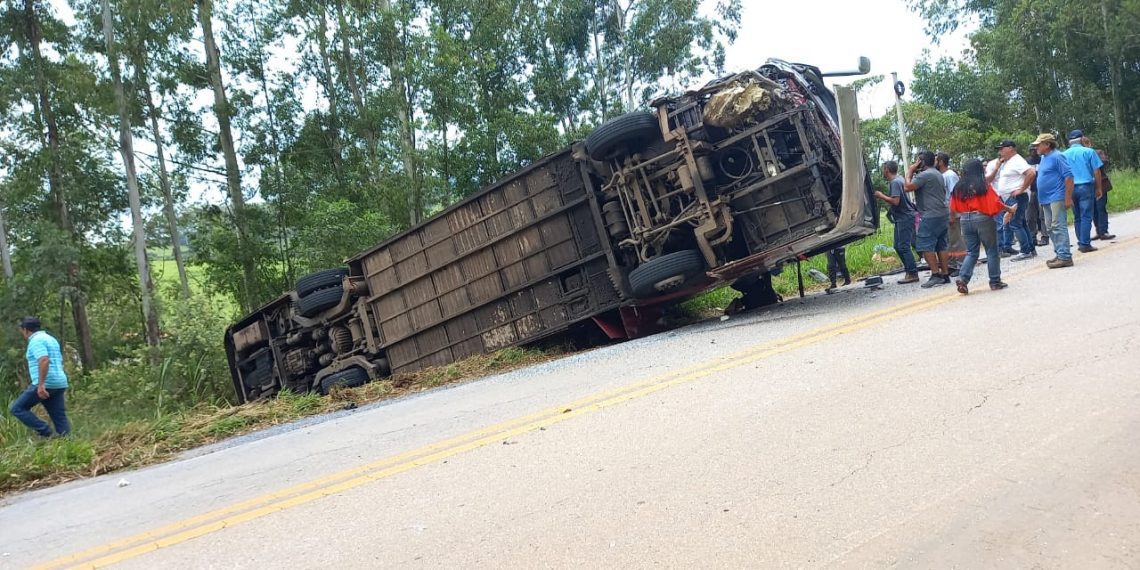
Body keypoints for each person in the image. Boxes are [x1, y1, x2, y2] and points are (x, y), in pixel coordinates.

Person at [950, 159, 1017, 294]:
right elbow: (995, 202)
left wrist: (953, 218)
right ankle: (995, 281)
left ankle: (963, 278)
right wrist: (1009, 209)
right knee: (991, 250)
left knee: (972, 252)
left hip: (964, 219)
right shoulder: (983, 185)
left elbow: (952, 207)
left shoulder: (958, 187)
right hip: (982, 218)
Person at [9, 317, 71, 438]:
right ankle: (67, 443)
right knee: (59, 416)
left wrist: (41, 385)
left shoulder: (36, 341)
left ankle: (46, 432)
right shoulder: (51, 339)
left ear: (25, 330)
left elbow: (43, 360)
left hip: (46, 383)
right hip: (59, 382)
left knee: (17, 408)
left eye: (22, 331)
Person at [904, 151, 950, 288]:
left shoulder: (925, 175)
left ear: (922, 161)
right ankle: (945, 274)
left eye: (918, 160)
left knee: (924, 244)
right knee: (941, 245)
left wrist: (910, 171)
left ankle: (935, 274)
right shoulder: (937, 174)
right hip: (942, 214)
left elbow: (907, 187)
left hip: (930, 215)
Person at [985, 140, 1037, 261]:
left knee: (1014, 223)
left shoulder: (1017, 160)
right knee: (1021, 222)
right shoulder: (1007, 162)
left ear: (1010, 148)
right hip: (1010, 197)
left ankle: (1025, 251)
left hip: (1016, 196)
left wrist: (1021, 189)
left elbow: (1031, 173)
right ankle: (1030, 248)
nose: (1000, 151)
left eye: (1002, 148)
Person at [1033, 133, 1075, 268]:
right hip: (1046, 199)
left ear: (1047, 144)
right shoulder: (1044, 158)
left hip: (1057, 196)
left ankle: (1065, 256)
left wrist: (1067, 198)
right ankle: (1060, 253)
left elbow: (1069, 177)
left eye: (1038, 145)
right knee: (1050, 227)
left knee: (1058, 225)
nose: (1036, 147)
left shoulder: (1057, 156)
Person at [874, 161, 919, 284]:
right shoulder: (900, 179)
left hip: (904, 217)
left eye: (883, 169)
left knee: (903, 246)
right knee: (897, 246)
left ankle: (913, 273)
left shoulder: (894, 182)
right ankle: (909, 270)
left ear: (887, 169)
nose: (883, 171)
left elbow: (895, 201)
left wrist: (881, 195)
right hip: (902, 217)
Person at [1061, 129, 1103, 253]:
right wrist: (1099, 188)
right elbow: (1096, 171)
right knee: (1086, 215)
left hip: (1070, 187)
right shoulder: (1089, 152)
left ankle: (1081, 241)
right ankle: (1085, 244)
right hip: (1085, 186)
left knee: (1077, 216)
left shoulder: (1063, 154)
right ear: (1082, 138)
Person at [936, 152, 965, 276]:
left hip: (953, 212)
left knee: (956, 240)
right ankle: (952, 265)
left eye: (936, 160)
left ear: (941, 162)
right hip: (946, 213)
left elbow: (955, 195)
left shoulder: (950, 175)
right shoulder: (942, 176)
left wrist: (953, 214)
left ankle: (961, 265)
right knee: (949, 241)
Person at [1084, 137, 1116, 241]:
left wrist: (1092, 157)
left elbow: (1104, 162)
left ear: (1089, 143)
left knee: (1101, 208)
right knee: (1093, 210)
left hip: (1101, 184)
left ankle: (1104, 231)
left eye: (1086, 143)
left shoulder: (1097, 152)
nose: (1085, 146)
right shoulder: (1081, 155)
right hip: (1089, 186)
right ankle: (1099, 231)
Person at [1025, 143, 1049, 246]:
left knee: (1042, 214)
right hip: (1030, 191)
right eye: (1032, 149)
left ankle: (1045, 236)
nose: (1034, 151)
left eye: (1035, 149)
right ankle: (1032, 237)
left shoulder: (1043, 160)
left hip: (1042, 190)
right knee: (1030, 216)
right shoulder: (1025, 162)